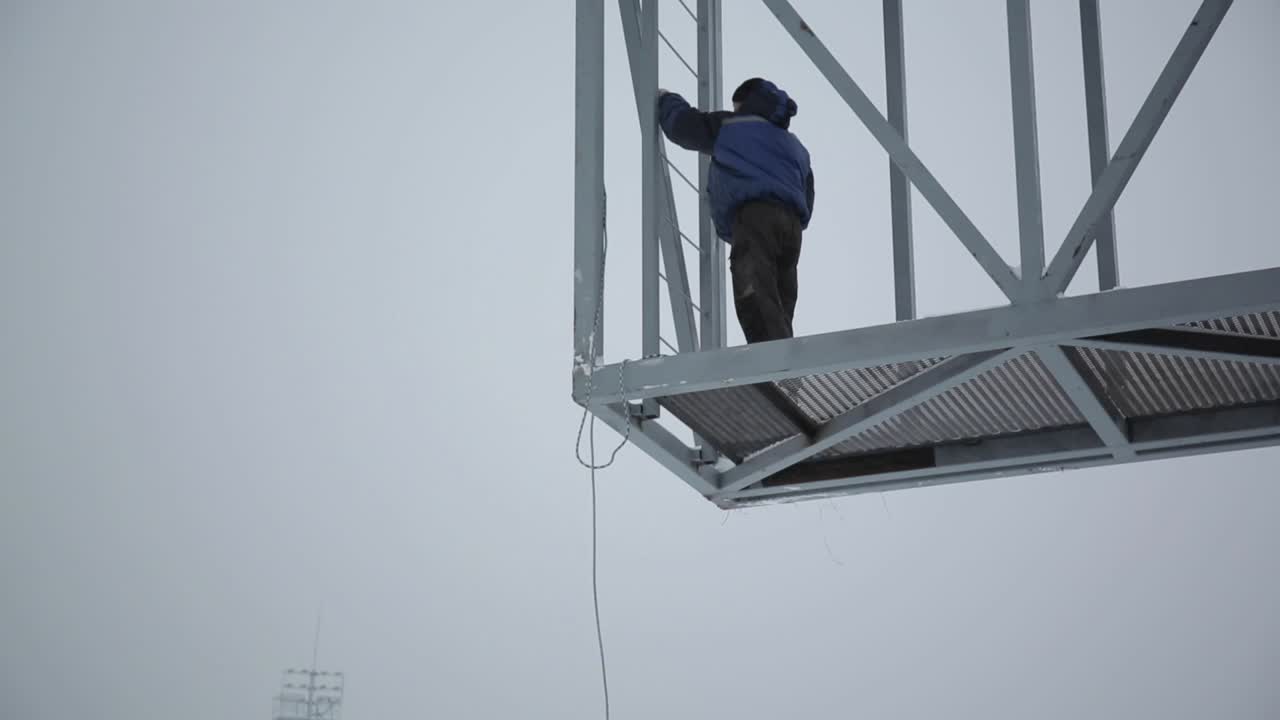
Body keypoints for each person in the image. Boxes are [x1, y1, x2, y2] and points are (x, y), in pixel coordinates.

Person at [657, 78, 814, 344]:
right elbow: (808, 193)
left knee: (752, 288)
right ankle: (786, 363)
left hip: (755, 218)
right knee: (781, 298)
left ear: (747, 104)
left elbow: (686, 128)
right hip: (792, 227)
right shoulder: (796, 147)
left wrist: (666, 99)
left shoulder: (734, 127)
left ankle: (769, 365)